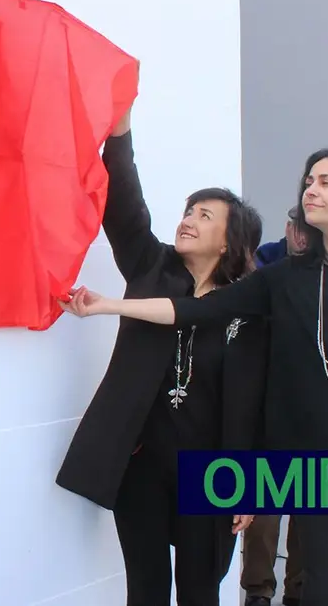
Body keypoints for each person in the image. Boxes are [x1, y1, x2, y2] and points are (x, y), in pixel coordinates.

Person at [61, 147, 328, 606]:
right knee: (320, 585)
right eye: (309, 181)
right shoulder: (285, 279)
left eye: (326, 181)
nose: (310, 190)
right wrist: (107, 306)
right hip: (321, 463)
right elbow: (195, 310)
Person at [55, 105, 267, 606]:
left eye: (205, 216)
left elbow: (250, 402)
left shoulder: (248, 307)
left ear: (229, 240)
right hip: (141, 465)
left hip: (210, 473)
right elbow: (125, 206)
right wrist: (121, 130)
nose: (189, 220)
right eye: (190, 211)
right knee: (146, 591)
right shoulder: (152, 267)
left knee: (199, 591)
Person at [244, 208, 307, 606]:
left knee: (306, 506)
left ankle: (299, 589)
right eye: (298, 229)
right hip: (267, 402)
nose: (304, 237)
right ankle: (258, 590)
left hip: (309, 404)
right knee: (264, 510)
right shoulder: (265, 263)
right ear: (288, 229)